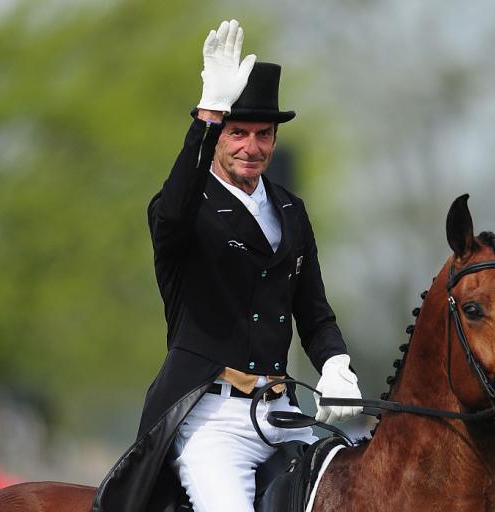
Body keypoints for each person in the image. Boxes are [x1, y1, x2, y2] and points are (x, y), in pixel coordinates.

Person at [93, 19, 362, 512]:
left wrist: (335, 363)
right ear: (219, 135)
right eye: (238, 132)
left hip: (281, 410)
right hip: (212, 420)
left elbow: (314, 310)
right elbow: (174, 206)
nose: (251, 147)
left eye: (263, 134)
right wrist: (207, 114)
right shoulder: (183, 211)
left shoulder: (290, 210)